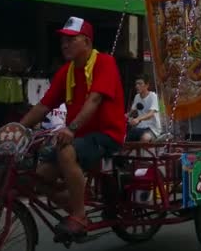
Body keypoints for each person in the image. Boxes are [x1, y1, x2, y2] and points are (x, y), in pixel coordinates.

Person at [20, 17, 126, 238]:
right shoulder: (65, 72)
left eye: (71, 39)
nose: (64, 45)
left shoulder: (104, 62)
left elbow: (94, 100)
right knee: (39, 177)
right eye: (62, 41)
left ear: (87, 42)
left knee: (65, 150)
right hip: (80, 138)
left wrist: (72, 128)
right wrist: (16, 129)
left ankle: (79, 215)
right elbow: (43, 105)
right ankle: (67, 198)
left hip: (107, 135)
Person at [127, 74, 162, 142]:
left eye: (140, 84)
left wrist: (138, 119)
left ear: (147, 85)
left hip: (152, 128)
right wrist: (127, 116)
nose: (137, 86)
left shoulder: (153, 96)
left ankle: (142, 152)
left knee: (145, 138)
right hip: (140, 127)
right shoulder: (137, 97)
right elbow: (132, 112)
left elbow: (151, 114)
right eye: (136, 84)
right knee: (126, 137)